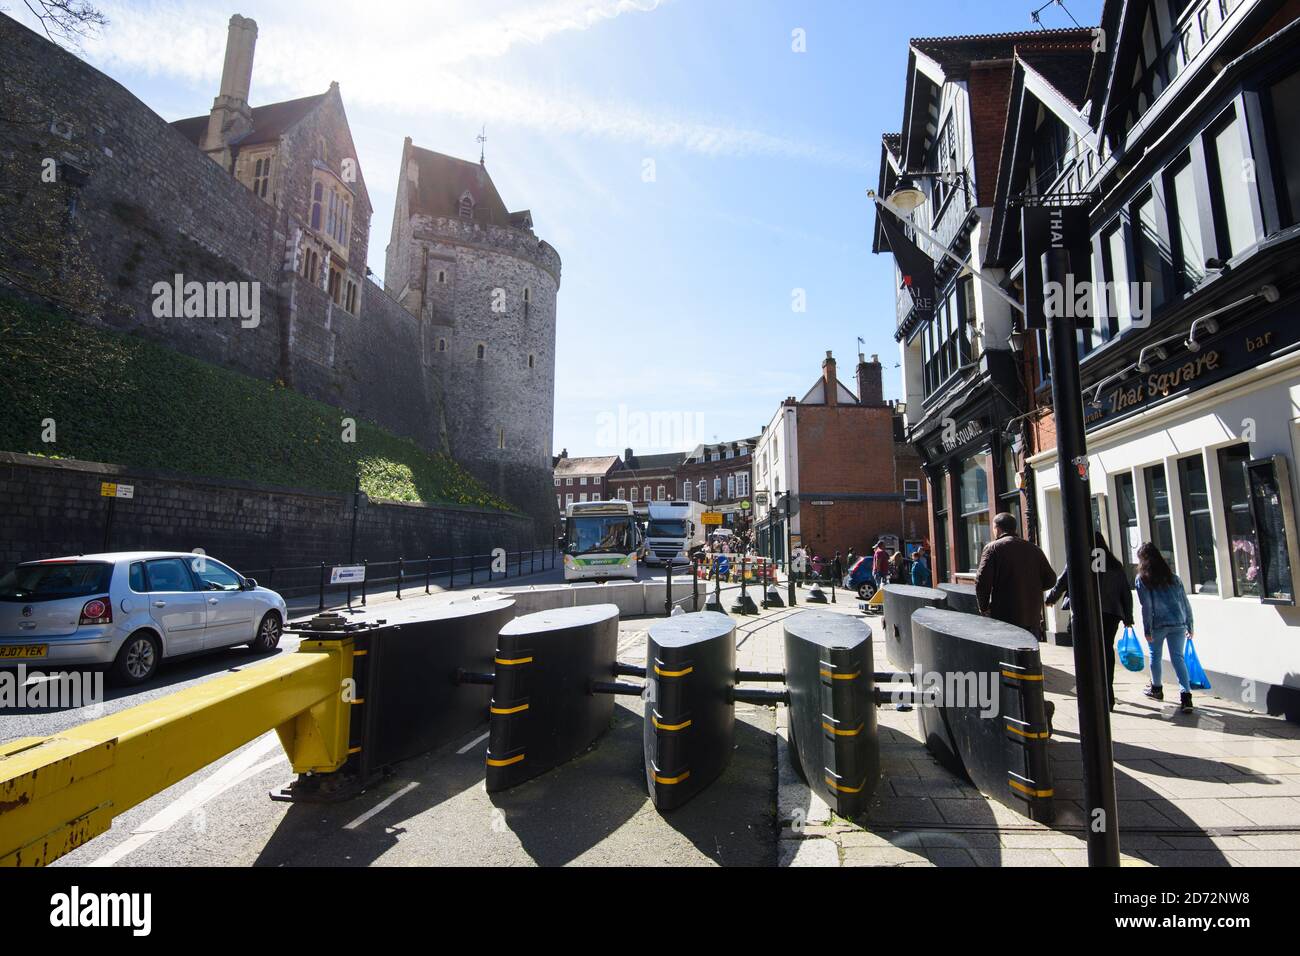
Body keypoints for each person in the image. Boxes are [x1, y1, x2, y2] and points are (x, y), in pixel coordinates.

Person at [1044, 531, 1134, 711]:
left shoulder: (1079, 559)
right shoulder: (1114, 564)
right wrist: (1128, 616)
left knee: (1085, 652)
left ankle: (1090, 693)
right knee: (1106, 651)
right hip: (1111, 613)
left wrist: (1051, 598)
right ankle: (1108, 695)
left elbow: (1063, 580)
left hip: (1086, 612)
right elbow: (1125, 590)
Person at [1134, 543, 1195, 713]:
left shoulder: (1143, 579)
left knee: (1155, 656)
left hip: (1158, 624)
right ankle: (1186, 696)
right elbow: (1184, 602)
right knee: (1178, 658)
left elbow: (1146, 606)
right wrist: (1190, 624)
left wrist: (1147, 629)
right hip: (1177, 622)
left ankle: (1157, 688)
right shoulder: (1173, 577)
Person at [974, 513, 1056, 638]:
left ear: (997, 528)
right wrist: (1030, 590)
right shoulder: (1034, 549)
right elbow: (1051, 579)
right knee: (1029, 654)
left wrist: (984, 607)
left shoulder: (993, 548)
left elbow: (982, 582)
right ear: (1015, 528)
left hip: (1005, 615)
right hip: (1031, 615)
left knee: (1008, 654)